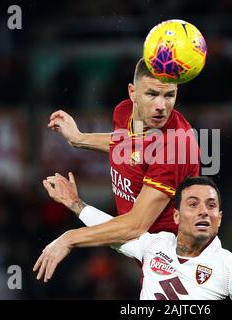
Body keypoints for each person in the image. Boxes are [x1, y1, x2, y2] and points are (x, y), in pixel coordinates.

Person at [34, 58, 199, 282]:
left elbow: (134, 226)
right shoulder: (124, 113)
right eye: (152, 94)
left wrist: (69, 238)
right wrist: (79, 139)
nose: (161, 105)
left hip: (181, 271)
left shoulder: (176, 147)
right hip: (148, 261)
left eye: (169, 95)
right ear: (132, 93)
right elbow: (131, 143)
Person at [34, 176, 232, 300]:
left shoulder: (230, 270)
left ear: (219, 219)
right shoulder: (156, 244)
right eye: (193, 204)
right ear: (176, 216)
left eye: (211, 206)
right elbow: (111, 231)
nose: (203, 212)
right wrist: (76, 204)